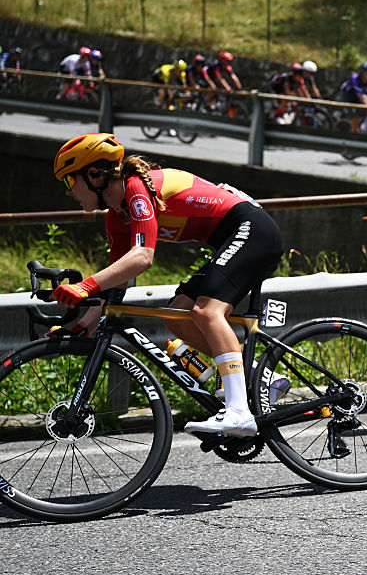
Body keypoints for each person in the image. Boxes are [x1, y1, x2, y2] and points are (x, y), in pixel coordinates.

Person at [51, 133, 284, 436]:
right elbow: (117, 281)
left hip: (253, 229)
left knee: (207, 312)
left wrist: (85, 286)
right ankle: (262, 378)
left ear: (94, 174)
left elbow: (143, 257)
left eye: (70, 182)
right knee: (179, 315)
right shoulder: (116, 218)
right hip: (232, 237)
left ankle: (239, 412)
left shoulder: (135, 187)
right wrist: (83, 323)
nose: (69, 193)